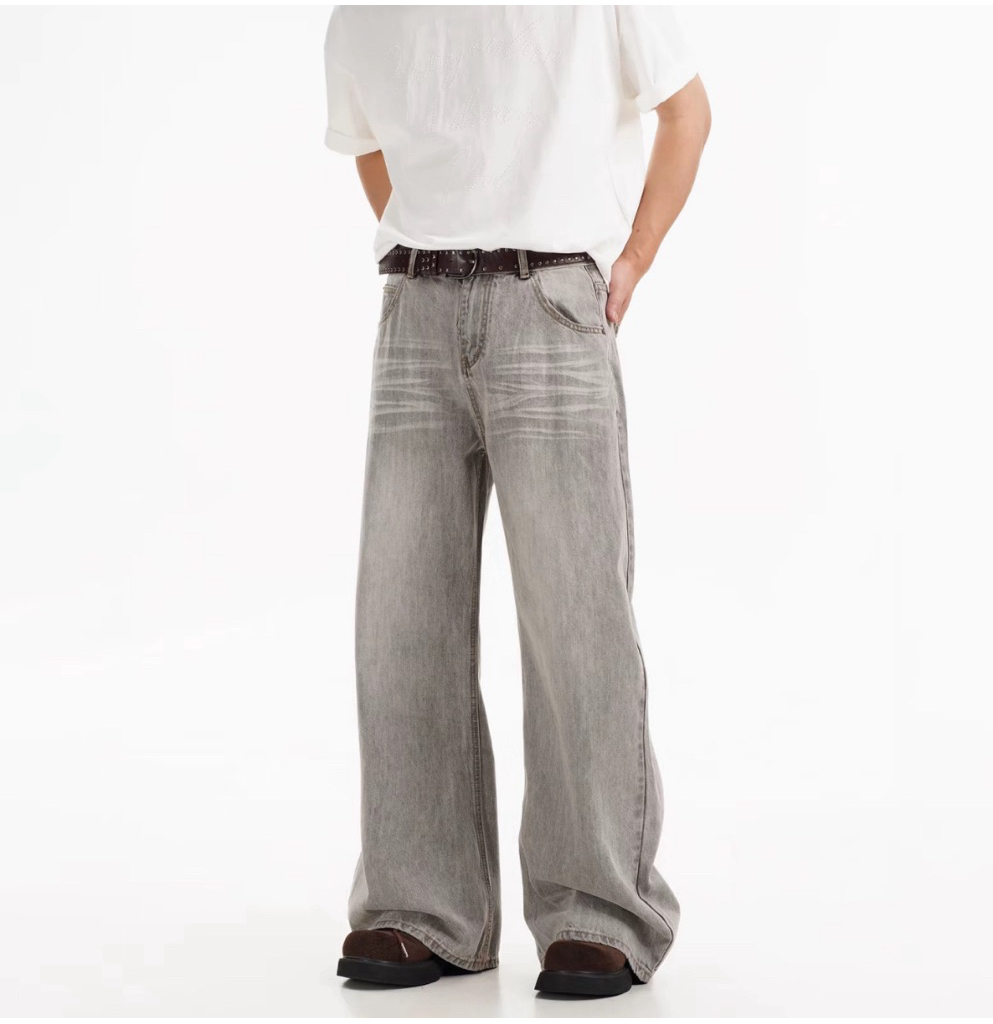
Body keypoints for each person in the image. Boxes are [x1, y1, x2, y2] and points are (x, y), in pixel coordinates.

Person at [323, 5, 710, 999]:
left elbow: (686, 111)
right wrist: (438, 241)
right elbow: (371, 151)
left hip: (551, 299)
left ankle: (600, 910)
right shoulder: (362, 12)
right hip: (415, 309)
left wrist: (634, 258)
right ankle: (422, 907)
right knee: (400, 621)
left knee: (576, 621)